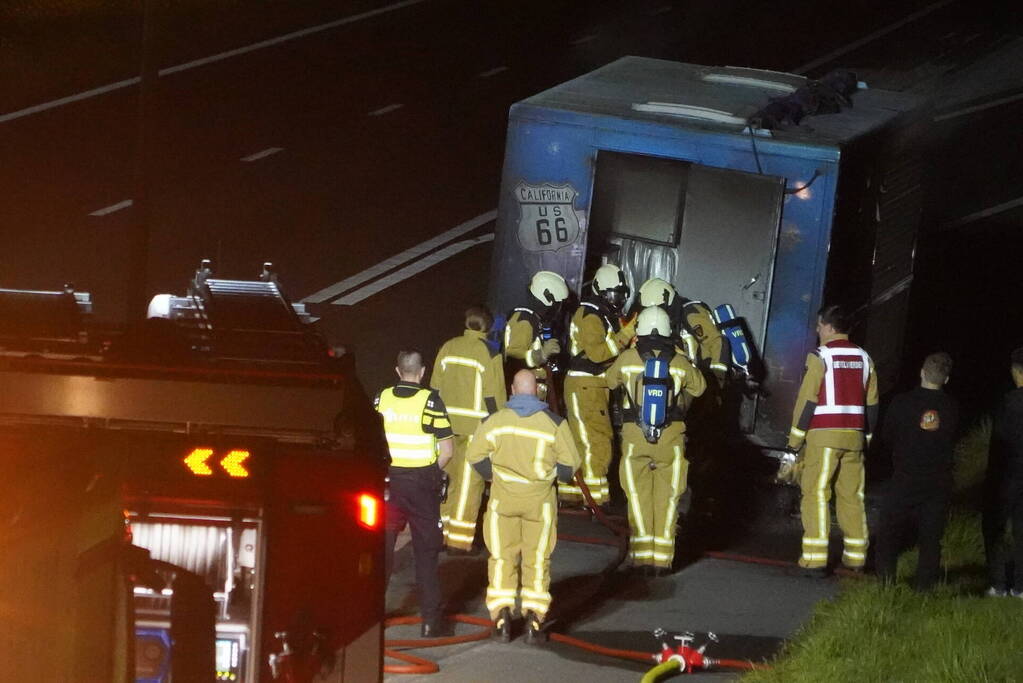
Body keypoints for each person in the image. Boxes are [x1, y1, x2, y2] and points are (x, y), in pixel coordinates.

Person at [466, 370, 580, 643]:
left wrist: (493, 476)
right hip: (538, 504)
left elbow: (474, 455)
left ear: (513, 391)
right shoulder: (553, 424)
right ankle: (534, 620)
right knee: (537, 560)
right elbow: (570, 465)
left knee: (502, 558)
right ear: (537, 391)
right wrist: (552, 478)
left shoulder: (495, 422)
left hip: (502, 501)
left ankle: (502, 617)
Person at [605, 306, 706, 572]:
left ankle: (641, 556)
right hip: (671, 438)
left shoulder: (627, 359)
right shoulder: (680, 362)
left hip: (635, 437)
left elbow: (610, 381)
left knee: (637, 495)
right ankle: (662, 559)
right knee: (669, 496)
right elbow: (700, 387)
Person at [786, 304, 878, 575]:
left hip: (824, 436)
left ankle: (815, 558)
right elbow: (872, 404)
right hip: (855, 438)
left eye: (819, 325)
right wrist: (867, 437)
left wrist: (793, 442)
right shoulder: (865, 358)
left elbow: (807, 401)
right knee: (852, 496)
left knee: (815, 494)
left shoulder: (820, 356)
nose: (817, 329)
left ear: (829, 327)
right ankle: (856, 556)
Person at [374, 349, 455, 637]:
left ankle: (371, 618)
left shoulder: (381, 399)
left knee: (381, 550)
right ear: (422, 372)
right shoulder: (430, 400)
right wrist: (432, 472)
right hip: (422, 485)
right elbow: (447, 450)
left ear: (398, 371)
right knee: (426, 553)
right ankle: (430, 622)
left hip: (389, 484)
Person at [875, 352, 959, 591]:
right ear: (947, 379)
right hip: (938, 482)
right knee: (930, 539)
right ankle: (923, 589)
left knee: (889, 534)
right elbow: (954, 438)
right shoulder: (952, 407)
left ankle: (885, 584)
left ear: (922, 372)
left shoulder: (901, 402)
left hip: (904, 478)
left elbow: (887, 437)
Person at [431, 306, 507, 553]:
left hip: (445, 425)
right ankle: (459, 541)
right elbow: (494, 396)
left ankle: (439, 533)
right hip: (475, 428)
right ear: (488, 327)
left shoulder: (448, 347)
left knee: (446, 481)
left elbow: (434, 388)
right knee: (468, 484)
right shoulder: (489, 353)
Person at [561, 264, 636, 506]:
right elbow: (597, 354)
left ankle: (574, 495)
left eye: (621, 294)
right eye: (614, 294)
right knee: (598, 440)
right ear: (601, 292)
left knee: (583, 441)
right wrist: (625, 335)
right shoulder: (591, 315)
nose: (619, 300)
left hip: (592, 386)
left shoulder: (602, 314)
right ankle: (593, 499)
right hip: (586, 386)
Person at [982, 346, 1023, 598]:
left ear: (1015, 371)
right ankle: (1020, 587)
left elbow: (998, 445)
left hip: (1007, 476)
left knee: (994, 528)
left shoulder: (1007, 403)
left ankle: (998, 585)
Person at [637, 277, 730, 385]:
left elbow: (717, 342)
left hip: (704, 376)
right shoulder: (660, 321)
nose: (654, 314)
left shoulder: (691, 314)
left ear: (669, 304)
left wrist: (717, 379)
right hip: (682, 376)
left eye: (658, 309)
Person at [503, 270, 570, 398]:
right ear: (547, 298)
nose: (558, 309)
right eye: (558, 304)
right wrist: (542, 354)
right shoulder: (525, 319)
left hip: (530, 393)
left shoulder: (533, 319)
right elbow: (514, 355)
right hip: (523, 395)